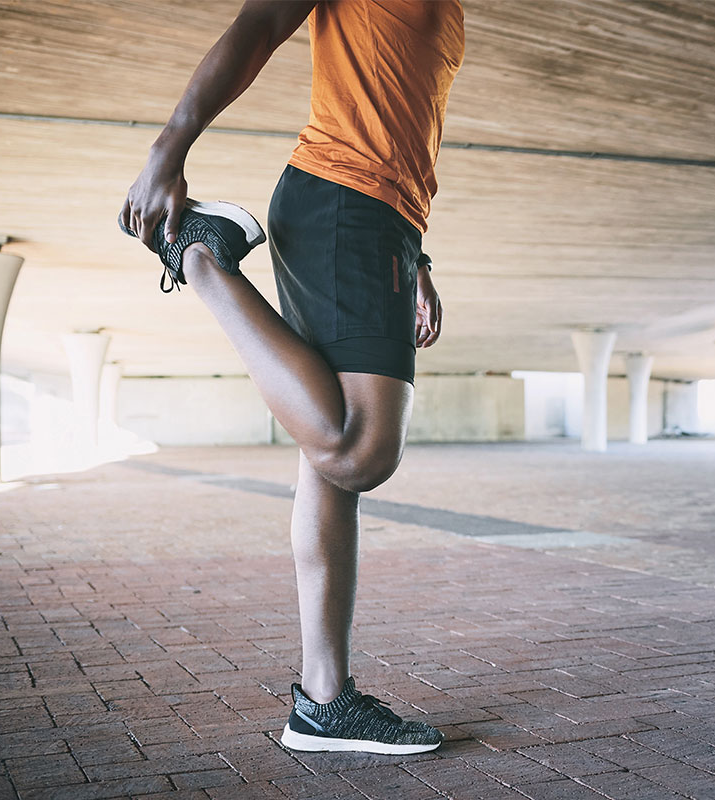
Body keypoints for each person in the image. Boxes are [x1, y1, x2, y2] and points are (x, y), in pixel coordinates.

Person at [118, 0, 464, 754]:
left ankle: (323, 702)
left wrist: (416, 257)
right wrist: (168, 148)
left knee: (328, 464)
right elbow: (260, 23)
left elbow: (403, 117)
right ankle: (200, 257)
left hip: (384, 219)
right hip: (346, 200)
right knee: (360, 448)